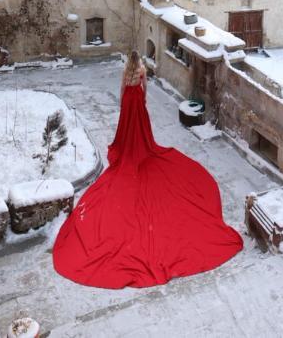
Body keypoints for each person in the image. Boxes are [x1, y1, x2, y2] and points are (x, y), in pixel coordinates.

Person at [53, 49, 243, 289]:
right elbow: (144, 92)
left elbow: (123, 90)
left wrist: (126, 104)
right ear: (139, 62)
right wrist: (141, 103)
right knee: (141, 134)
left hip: (128, 102)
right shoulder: (142, 71)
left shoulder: (127, 72)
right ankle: (140, 148)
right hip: (137, 103)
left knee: (127, 131)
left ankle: (128, 148)